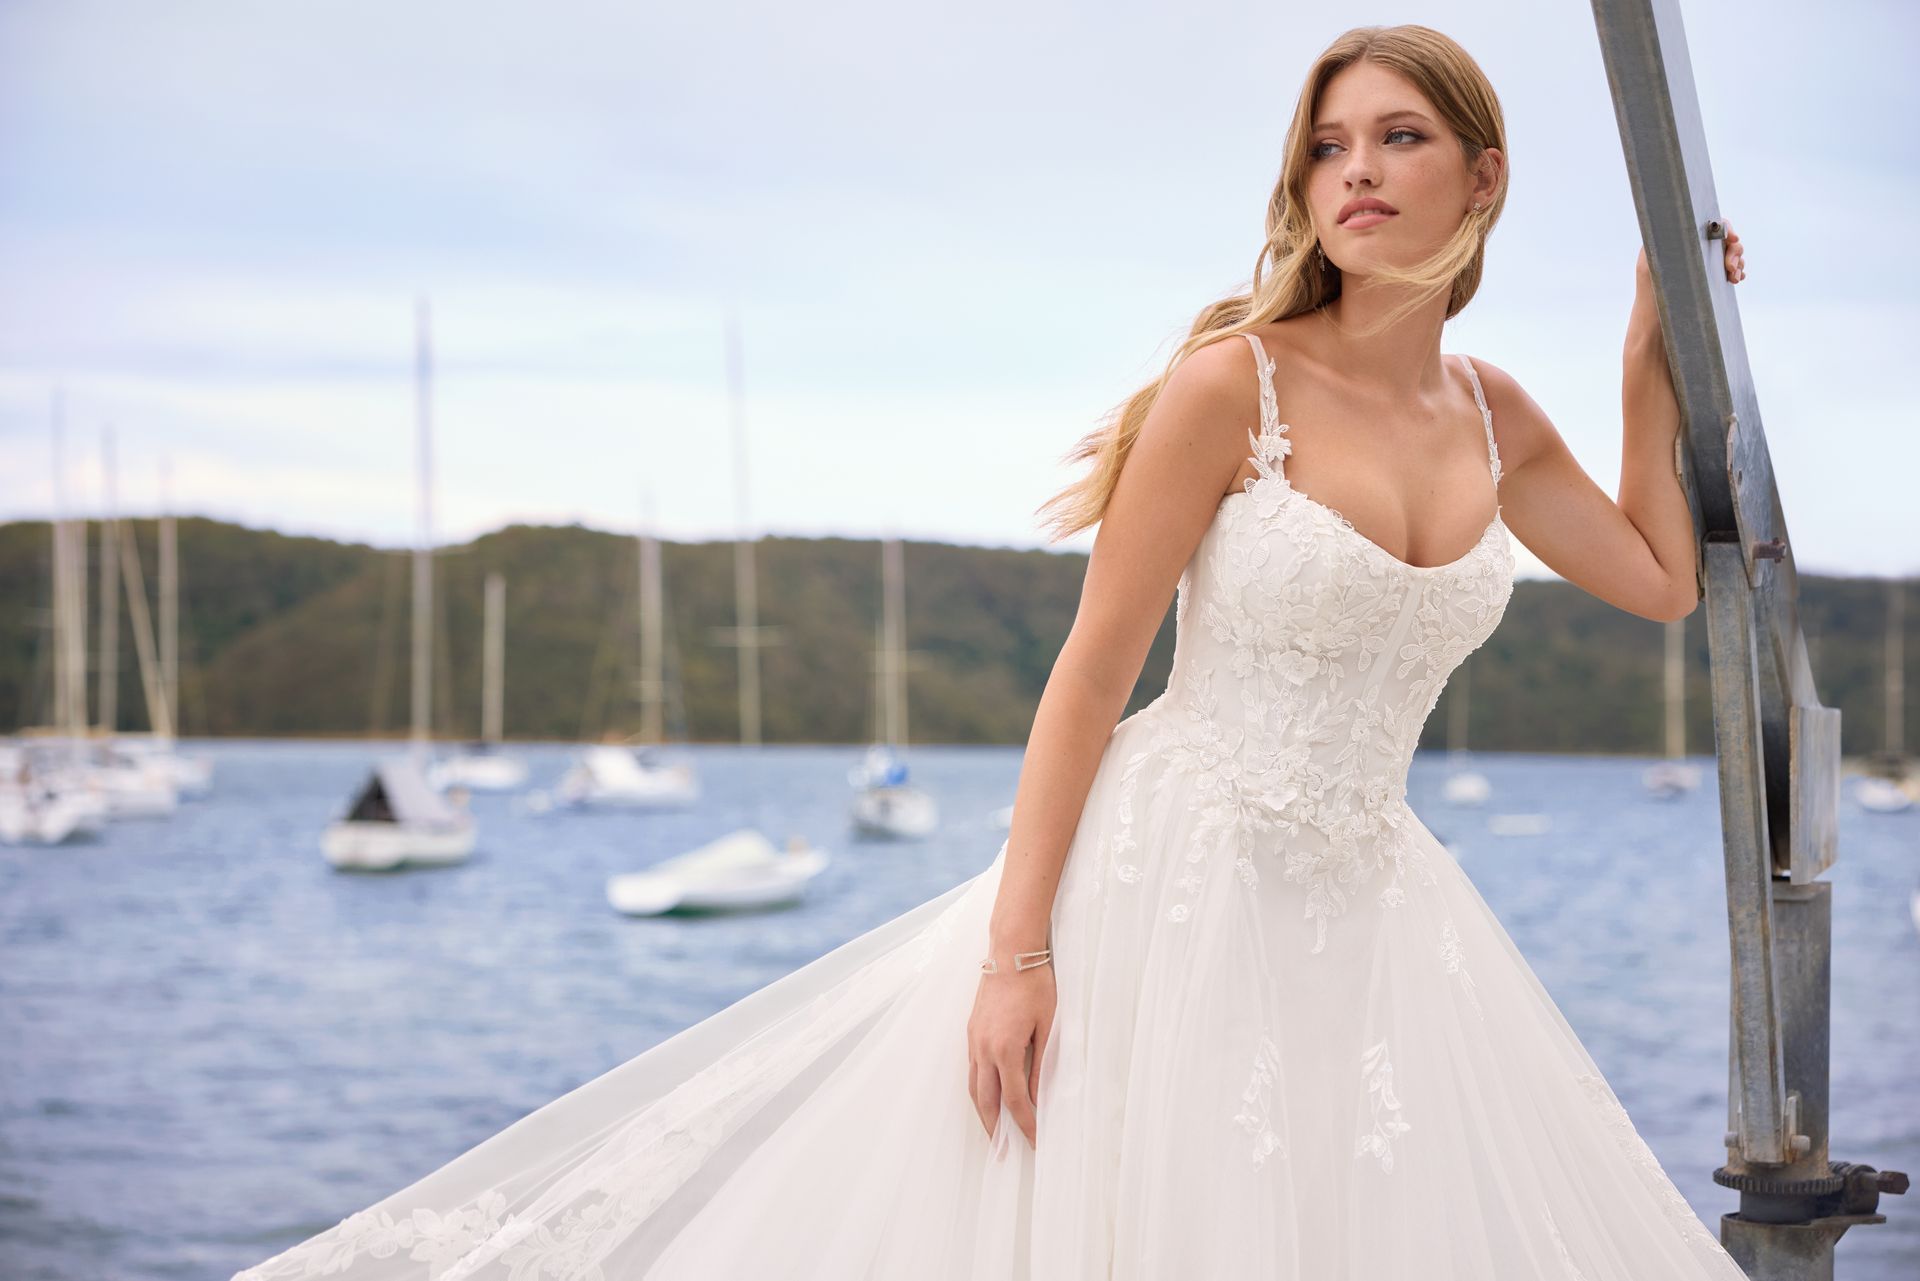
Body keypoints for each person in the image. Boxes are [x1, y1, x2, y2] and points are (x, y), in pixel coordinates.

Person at [233, 23, 1751, 1280]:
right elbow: (1091, 672)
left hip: (1375, 912)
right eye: (1328, 143)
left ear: (1484, 176)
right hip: (1167, 888)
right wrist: (1018, 957)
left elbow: (1662, 579)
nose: (1354, 170)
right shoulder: (1232, 388)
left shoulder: (1495, 412)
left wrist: (1647, 355)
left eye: (1398, 137)